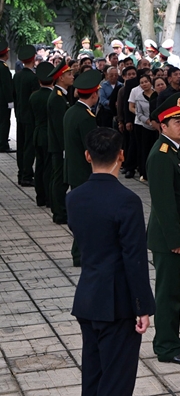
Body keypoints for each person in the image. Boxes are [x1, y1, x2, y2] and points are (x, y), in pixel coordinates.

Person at [66, 128, 155, 396]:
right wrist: (143, 306)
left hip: (88, 297)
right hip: (118, 302)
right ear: (121, 156)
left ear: (88, 156)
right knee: (116, 384)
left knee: (94, 377)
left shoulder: (75, 197)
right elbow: (134, 259)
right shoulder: (127, 200)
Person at [146, 93, 180, 365]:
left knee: (175, 291)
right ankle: (166, 347)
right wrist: (175, 238)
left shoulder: (175, 149)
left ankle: (170, 335)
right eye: (177, 121)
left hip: (177, 235)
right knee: (168, 293)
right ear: (163, 125)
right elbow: (163, 203)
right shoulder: (161, 155)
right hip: (170, 237)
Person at [64, 70, 102, 266]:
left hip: (73, 168)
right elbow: (92, 148)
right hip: (84, 171)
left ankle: (80, 252)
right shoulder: (86, 117)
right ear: (94, 94)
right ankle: (80, 253)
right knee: (87, 215)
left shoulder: (71, 111)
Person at [47, 62, 74, 224]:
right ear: (61, 77)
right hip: (58, 146)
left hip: (58, 145)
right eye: (69, 74)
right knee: (59, 179)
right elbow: (59, 127)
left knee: (59, 178)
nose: (72, 77)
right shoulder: (57, 98)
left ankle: (59, 210)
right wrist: (64, 148)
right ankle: (59, 213)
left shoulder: (61, 95)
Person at [31, 62, 57, 207]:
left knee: (40, 166)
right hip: (49, 136)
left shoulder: (34, 97)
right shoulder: (53, 97)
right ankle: (48, 197)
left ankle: (40, 196)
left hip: (37, 134)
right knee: (48, 168)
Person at [13, 45, 39, 186]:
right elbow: (34, 100)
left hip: (20, 115)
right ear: (33, 59)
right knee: (29, 146)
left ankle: (21, 172)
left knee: (21, 145)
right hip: (31, 117)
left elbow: (15, 96)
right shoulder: (33, 78)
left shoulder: (17, 76)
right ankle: (27, 175)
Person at [130, 72, 159, 183]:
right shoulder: (138, 97)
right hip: (144, 126)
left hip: (157, 127)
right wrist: (148, 121)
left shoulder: (156, 95)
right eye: (142, 83)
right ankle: (145, 173)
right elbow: (139, 113)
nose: (144, 84)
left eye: (146, 82)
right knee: (144, 150)